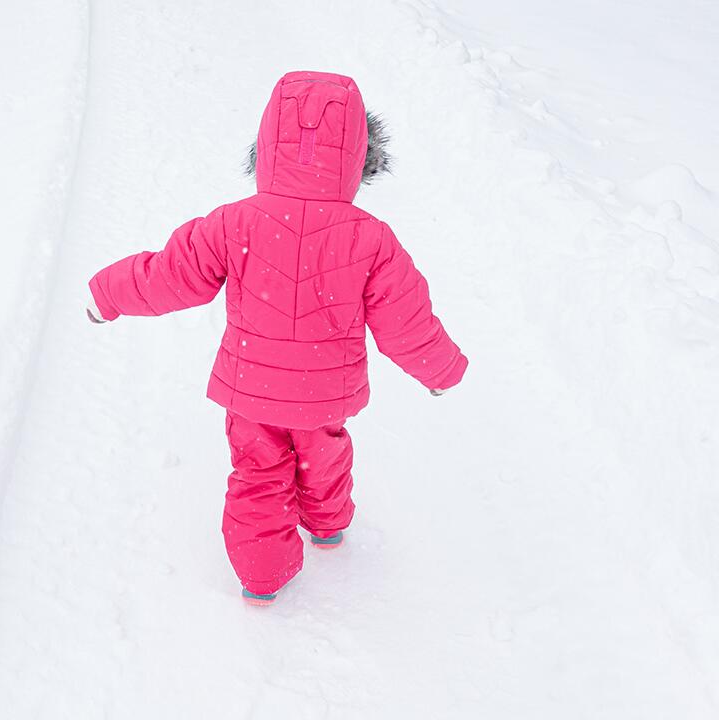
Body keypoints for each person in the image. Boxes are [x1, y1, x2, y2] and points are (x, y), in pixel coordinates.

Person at [85, 71, 468, 605]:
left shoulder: (233, 224)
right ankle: (328, 523)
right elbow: (405, 319)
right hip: (323, 392)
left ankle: (261, 577)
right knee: (324, 451)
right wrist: (440, 371)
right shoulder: (370, 237)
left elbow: (171, 276)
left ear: (266, 145)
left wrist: (107, 294)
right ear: (358, 155)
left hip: (251, 389)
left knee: (258, 473)